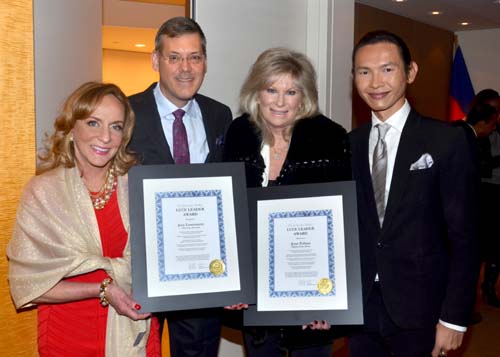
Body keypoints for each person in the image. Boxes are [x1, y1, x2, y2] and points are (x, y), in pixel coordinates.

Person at [349, 30, 479, 357]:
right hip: (360, 308)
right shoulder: (349, 144)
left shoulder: (446, 141)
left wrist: (454, 318)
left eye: (387, 69)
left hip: (422, 310)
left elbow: (466, 237)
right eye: (364, 72)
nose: (375, 81)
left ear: (411, 72)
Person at [7, 82, 160, 356]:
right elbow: (28, 284)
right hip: (68, 335)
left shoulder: (139, 188)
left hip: (134, 332)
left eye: (116, 126)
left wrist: (222, 286)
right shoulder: (43, 193)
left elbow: (165, 259)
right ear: (72, 128)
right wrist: (102, 289)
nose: (105, 137)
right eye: (93, 123)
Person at [222, 47, 351, 356]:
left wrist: (330, 301)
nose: (280, 101)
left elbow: (342, 225)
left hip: (311, 296)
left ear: (303, 97)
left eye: (290, 91)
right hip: (255, 296)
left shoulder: (330, 137)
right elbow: (227, 216)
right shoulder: (238, 132)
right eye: (271, 89)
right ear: (257, 92)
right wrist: (231, 283)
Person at [128, 16, 232, 357]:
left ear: (204, 61)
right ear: (156, 61)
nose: (185, 68)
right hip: (139, 271)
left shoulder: (220, 115)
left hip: (201, 270)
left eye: (195, 57)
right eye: (174, 57)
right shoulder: (126, 113)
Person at [473, 89, 500, 307]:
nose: (497, 113)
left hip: (499, 193)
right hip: (482, 193)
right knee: (479, 244)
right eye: (493, 108)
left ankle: (489, 287)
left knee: (497, 246)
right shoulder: (473, 131)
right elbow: (479, 167)